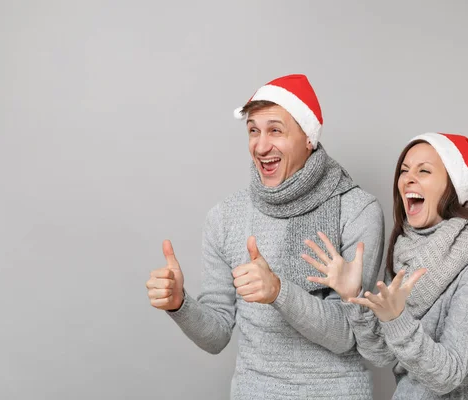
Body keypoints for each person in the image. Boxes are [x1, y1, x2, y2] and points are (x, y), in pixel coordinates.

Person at [145, 74, 385, 399]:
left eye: (275, 130)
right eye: (253, 131)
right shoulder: (226, 216)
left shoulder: (356, 210)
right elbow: (216, 337)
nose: (261, 145)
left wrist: (278, 291)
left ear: (308, 138)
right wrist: (180, 305)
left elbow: (348, 335)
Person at [305, 132, 468, 399]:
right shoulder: (406, 252)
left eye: (424, 171)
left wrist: (396, 319)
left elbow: (447, 375)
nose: (408, 179)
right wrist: (353, 297)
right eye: (404, 170)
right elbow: (382, 353)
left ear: (452, 185)